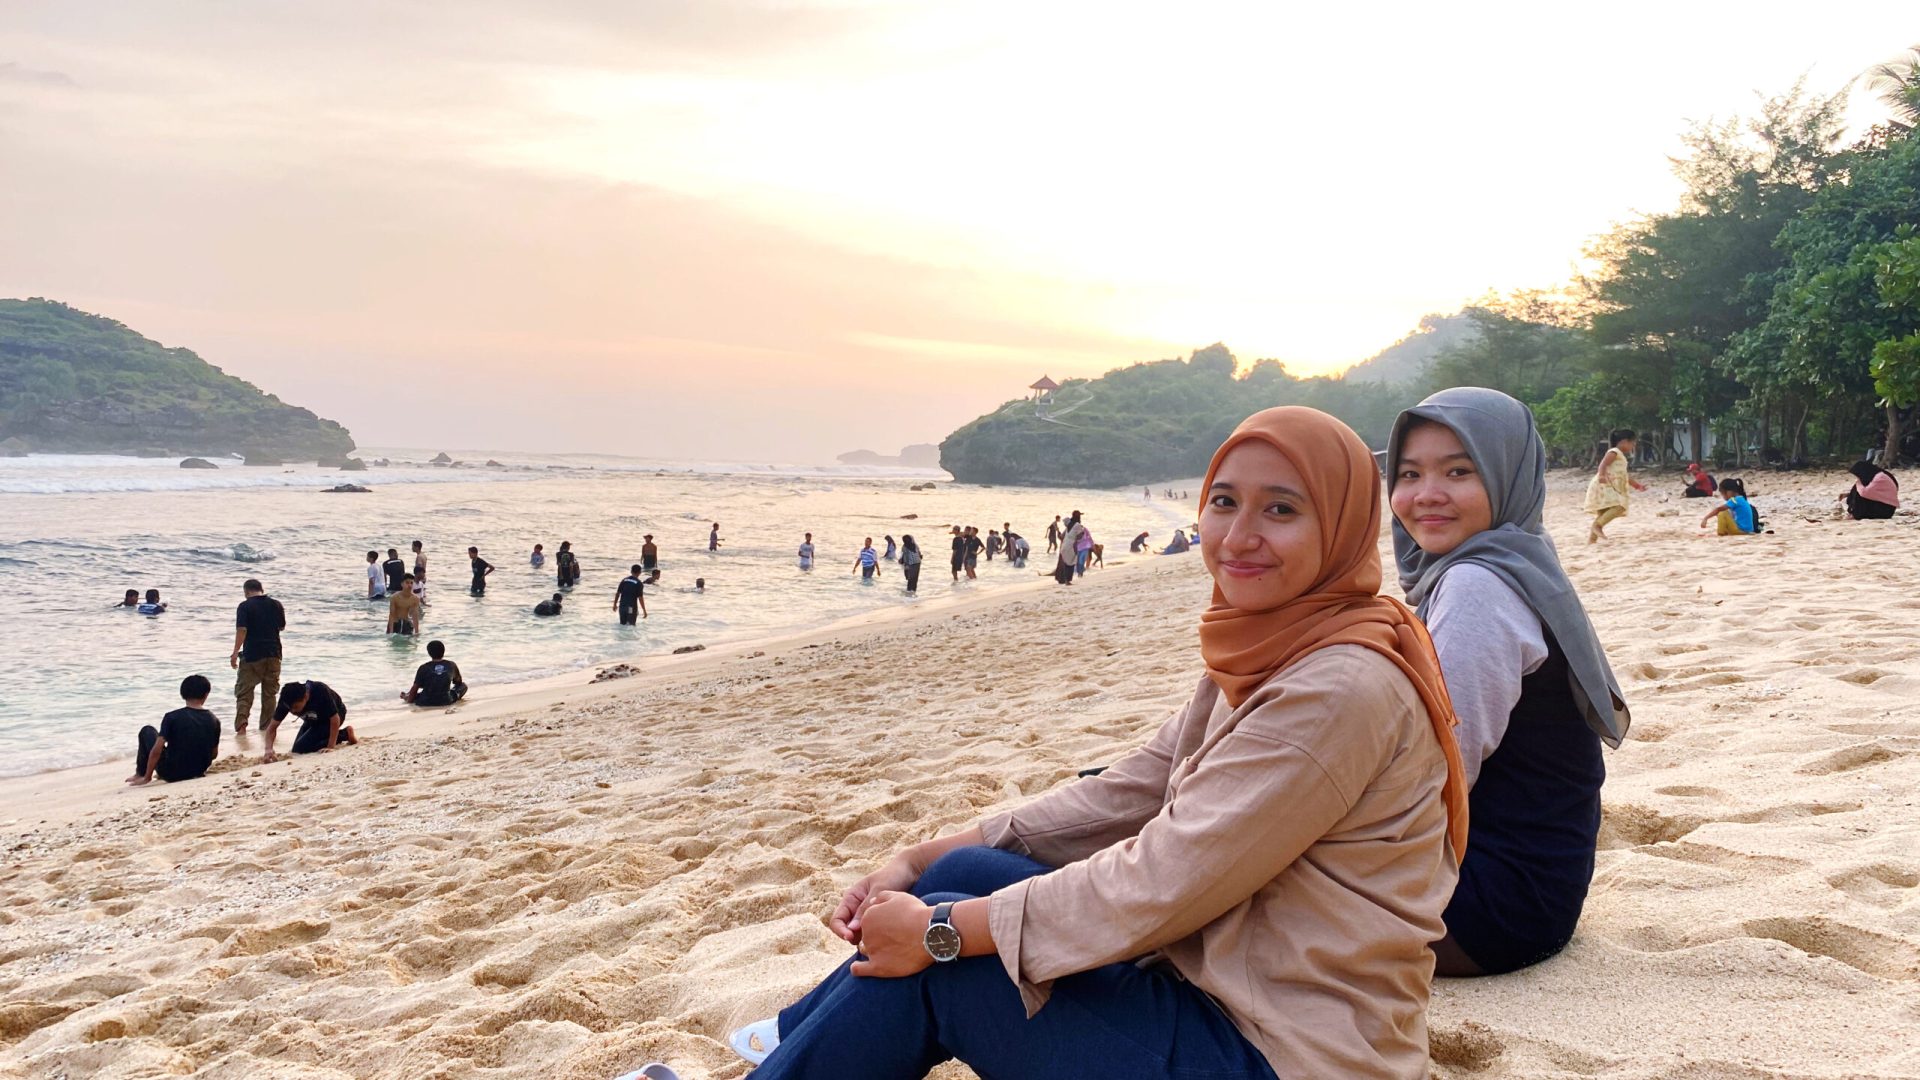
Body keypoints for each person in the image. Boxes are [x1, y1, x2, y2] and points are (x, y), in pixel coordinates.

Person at [705, 406, 1465, 1080]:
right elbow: (1131, 788)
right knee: (965, 872)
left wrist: (935, 933)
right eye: (1225, 502)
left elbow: (1159, 882)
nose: (1239, 536)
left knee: (941, 966)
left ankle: (808, 1049)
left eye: (1282, 510)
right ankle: (798, 1044)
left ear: (1340, 525)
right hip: (1220, 984)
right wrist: (923, 854)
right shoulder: (1287, 641)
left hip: (1284, 1050)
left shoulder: (1336, 689)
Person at [1387, 387, 1629, 976]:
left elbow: (1439, 772)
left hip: (1489, 911)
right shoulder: (1515, 555)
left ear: (1507, 475)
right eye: (1410, 473)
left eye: (1459, 471)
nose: (1427, 496)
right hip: (1533, 888)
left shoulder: (1477, 587)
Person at [127, 674, 221, 786]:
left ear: (183, 694)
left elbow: (156, 750)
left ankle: (140, 774)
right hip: (198, 771)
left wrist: (147, 777)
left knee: (147, 731)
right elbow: (214, 754)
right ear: (206, 695)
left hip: (171, 773)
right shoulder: (214, 720)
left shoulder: (172, 717)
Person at [230, 578, 285, 735]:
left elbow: (242, 630)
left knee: (244, 692)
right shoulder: (276, 604)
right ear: (261, 589)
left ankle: (241, 728)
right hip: (274, 654)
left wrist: (235, 653)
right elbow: (281, 626)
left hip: (252, 654)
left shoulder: (244, 606)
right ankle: (267, 728)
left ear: (246, 591)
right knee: (270, 693)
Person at [265, 680, 357, 763]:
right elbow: (272, 728)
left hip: (334, 716)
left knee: (301, 748)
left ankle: (345, 734)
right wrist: (268, 749)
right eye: (290, 709)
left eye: (296, 707)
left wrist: (330, 747)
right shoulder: (286, 701)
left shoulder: (320, 690)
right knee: (296, 749)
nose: (293, 711)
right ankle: (337, 735)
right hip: (312, 720)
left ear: (306, 696)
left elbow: (335, 718)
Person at [1582, 428, 1647, 543]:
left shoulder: (1620, 455)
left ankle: (1592, 540)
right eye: (1632, 443)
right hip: (1604, 484)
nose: (1633, 446)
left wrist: (1637, 486)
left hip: (1609, 485)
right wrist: (1602, 475)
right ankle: (1597, 526)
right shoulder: (1614, 452)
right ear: (1623, 442)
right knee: (1619, 506)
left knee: (1603, 512)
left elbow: (1625, 475)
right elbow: (1603, 464)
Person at [403, 640, 467, 706]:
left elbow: (415, 688)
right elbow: (458, 682)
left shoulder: (423, 667)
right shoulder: (451, 665)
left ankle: (407, 696)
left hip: (425, 701)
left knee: (418, 694)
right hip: (446, 700)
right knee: (463, 686)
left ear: (429, 653)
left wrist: (409, 702)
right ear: (443, 651)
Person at [1053, 511, 1086, 585]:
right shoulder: (1077, 525)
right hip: (1071, 545)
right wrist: (1082, 532)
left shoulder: (1069, 525)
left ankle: (1065, 580)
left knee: (1066, 563)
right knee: (1071, 563)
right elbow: (1079, 536)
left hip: (1064, 545)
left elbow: (1061, 537)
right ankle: (1068, 581)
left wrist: (1058, 531)